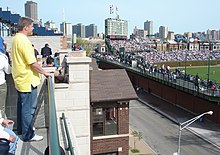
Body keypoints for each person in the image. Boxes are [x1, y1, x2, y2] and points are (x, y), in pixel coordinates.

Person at [11, 17, 51, 142]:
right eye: (32, 26)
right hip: (27, 80)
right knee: (28, 109)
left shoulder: (15, 39)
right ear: (26, 27)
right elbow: (32, 63)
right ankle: (28, 135)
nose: (33, 28)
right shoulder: (24, 41)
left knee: (22, 107)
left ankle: (22, 130)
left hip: (20, 79)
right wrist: (44, 72)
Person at [0, 52, 11, 118]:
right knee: (1, 107)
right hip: (1, 84)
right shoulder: (2, 58)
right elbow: (8, 71)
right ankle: (2, 126)